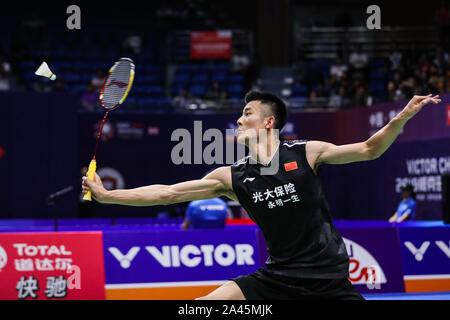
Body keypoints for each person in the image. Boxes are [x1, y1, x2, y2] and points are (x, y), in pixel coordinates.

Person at [82, 90, 440, 300]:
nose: (239, 120)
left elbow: (367, 150)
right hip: (276, 281)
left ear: (269, 122)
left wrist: (402, 118)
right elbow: (167, 193)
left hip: (327, 281)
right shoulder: (232, 176)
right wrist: (109, 196)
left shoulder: (307, 153)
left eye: (247, 114)